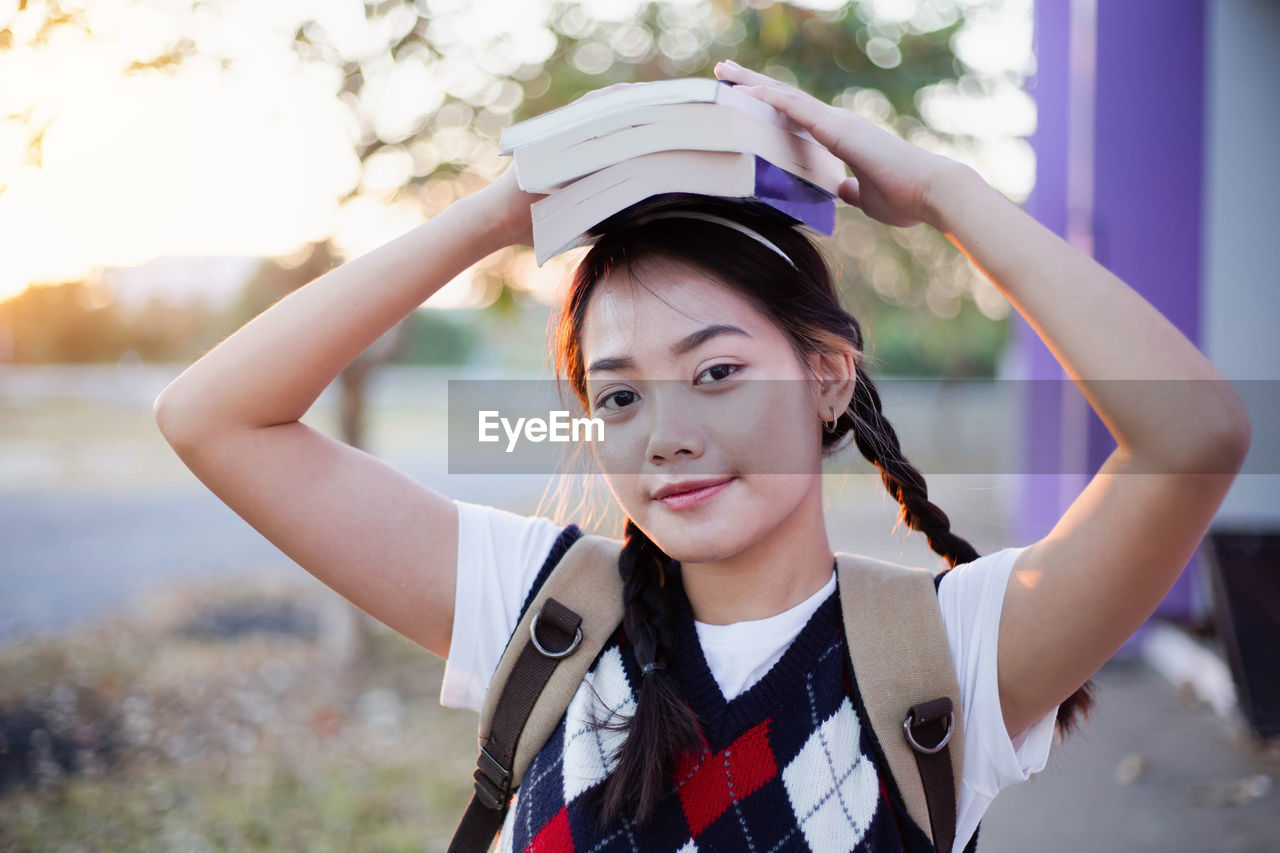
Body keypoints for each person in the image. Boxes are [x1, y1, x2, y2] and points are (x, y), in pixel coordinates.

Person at [154, 61, 1251, 852]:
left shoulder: (946, 655)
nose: (665, 431)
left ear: (825, 377)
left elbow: (1193, 435)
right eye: (619, 391)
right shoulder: (537, 614)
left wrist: (942, 197)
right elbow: (212, 416)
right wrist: (497, 214)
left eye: (716, 371)